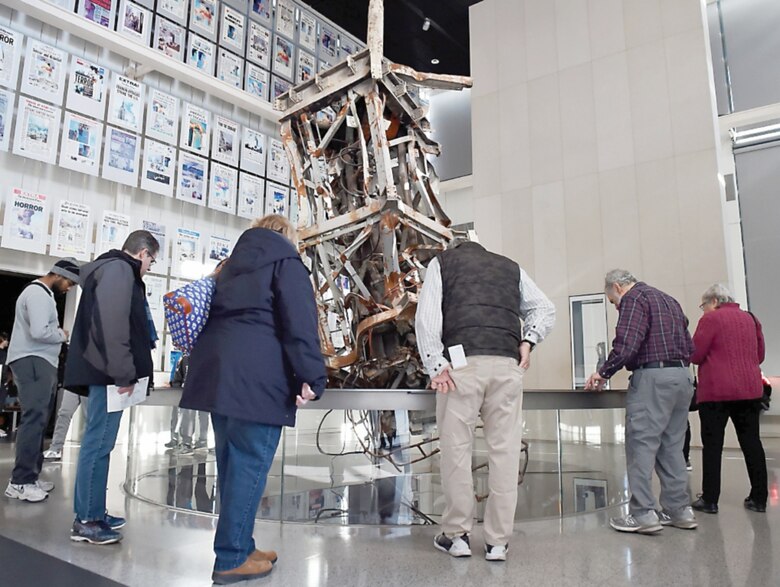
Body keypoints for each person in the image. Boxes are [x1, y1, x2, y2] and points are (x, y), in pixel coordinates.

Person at [180, 214, 326, 585]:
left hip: (218, 376)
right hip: (257, 379)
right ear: (287, 237)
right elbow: (300, 324)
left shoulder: (230, 267)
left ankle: (241, 546)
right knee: (249, 468)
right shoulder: (286, 263)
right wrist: (313, 375)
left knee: (232, 468)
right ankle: (230, 558)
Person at [415, 240, 555, 561]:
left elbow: (427, 318)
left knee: (456, 451)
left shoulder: (443, 263)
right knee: (505, 452)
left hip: (461, 367)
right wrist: (528, 341)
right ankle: (497, 543)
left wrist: (436, 364)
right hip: (507, 365)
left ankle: (458, 536)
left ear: (454, 248)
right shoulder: (510, 266)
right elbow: (545, 307)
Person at [64, 230, 159, 545]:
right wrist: (122, 373)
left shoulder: (110, 269)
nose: (150, 267)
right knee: (97, 445)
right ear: (142, 253)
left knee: (101, 446)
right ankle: (87, 521)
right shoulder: (119, 270)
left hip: (105, 372)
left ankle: (94, 511)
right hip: (108, 374)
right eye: (151, 261)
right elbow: (113, 323)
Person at [585, 269, 697, 534]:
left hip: (653, 378)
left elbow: (627, 343)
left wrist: (603, 372)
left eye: (613, 301)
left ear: (617, 287)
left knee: (642, 446)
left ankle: (643, 513)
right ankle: (679, 510)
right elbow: (690, 346)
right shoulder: (670, 300)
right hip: (683, 377)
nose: (616, 307)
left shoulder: (634, 298)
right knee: (672, 446)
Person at [4, 259, 80, 502]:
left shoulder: (43, 294)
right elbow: (39, 332)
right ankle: (20, 482)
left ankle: (30, 476)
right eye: (69, 282)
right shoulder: (37, 294)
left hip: (39, 361)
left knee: (38, 419)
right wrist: (62, 334)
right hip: (33, 360)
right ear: (59, 274)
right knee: (34, 419)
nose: (69, 288)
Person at [689, 284, 768, 514]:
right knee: (752, 443)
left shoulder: (711, 320)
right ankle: (759, 498)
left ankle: (710, 499)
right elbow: (759, 355)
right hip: (749, 391)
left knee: (713, 446)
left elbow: (695, 354)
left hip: (716, 392)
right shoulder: (751, 319)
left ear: (714, 301)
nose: (703, 310)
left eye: (703, 305)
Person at [167, 355, 209, 454]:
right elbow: (178, 376)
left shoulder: (205, 358)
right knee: (189, 415)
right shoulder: (185, 360)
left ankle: (201, 440)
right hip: (190, 391)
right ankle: (188, 442)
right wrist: (176, 385)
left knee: (201, 416)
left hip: (203, 391)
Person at [43, 386, 88, 460]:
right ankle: (55, 448)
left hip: (90, 382)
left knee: (89, 417)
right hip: (73, 382)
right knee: (64, 413)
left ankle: (88, 450)